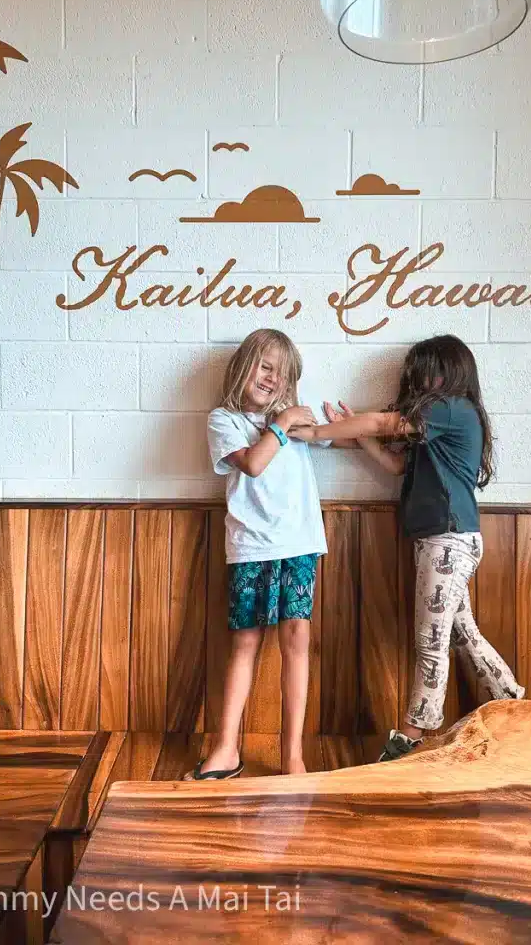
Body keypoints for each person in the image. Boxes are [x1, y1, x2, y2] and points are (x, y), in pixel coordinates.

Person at [290, 334, 525, 761]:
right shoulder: (437, 423)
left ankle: (411, 737)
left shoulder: (452, 409)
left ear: (450, 372)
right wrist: (351, 434)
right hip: (440, 539)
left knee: (430, 639)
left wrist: (319, 430)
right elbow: (395, 462)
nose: (418, 382)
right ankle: (512, 700)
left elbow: (382, 423)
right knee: (459, 631)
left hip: (448, 539)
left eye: (425, 373)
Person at [186, 328, 331, 780]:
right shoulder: (223, 420)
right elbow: (253, 463)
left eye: (282, 375)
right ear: (244, 366)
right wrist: (282, 423)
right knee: (245, 643)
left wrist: (373, 428)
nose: (272, 378)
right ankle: (227, 748)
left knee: (296, 644)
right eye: (265, 366)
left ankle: (292, 757)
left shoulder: (293, 424)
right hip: (250, 546)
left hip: (300, 545)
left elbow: (334, 436)